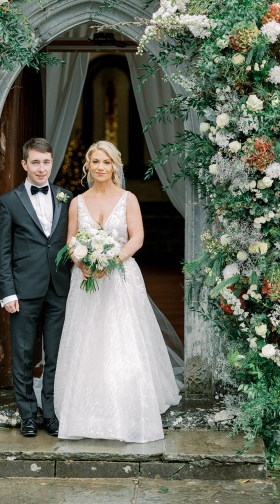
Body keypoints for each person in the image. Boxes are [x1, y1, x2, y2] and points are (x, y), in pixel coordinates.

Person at [54, 140, 181, 442]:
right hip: (86, 281)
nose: (100, 167)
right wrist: (81, 262)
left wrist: (111, 261)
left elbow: (136, 238)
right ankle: (86, 408)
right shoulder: (77, 202)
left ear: (115, 166)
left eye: (106, 162)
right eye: (95, 161)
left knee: (122, 339)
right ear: (88, 166)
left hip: (120, 278)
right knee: (87, 339)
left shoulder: (128, 198)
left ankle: (127, 405)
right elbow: (71, 240)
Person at [0, 138, 72, 438]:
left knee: (55, 354)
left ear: (52, 163)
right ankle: (27, 414)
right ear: (25, 164)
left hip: (59, 287)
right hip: (23, 290)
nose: (42, 168)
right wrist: (7, 292)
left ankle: (50, 413)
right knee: (24, 354)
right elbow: (3, 251)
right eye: (36, 162)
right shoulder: (9, 201)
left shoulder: (66, 197)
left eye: (46, 162)